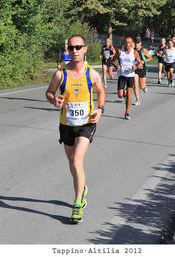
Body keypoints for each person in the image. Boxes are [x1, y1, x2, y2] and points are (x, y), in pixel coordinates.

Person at [45, 35, 105, 224]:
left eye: (78, 47)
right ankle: (82, 188)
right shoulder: (60, 74)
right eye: (71, 48)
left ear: (85, 49)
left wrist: (100, 109)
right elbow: (49, 92)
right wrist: (53, 99)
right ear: (68, 50)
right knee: (72, 162)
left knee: (77, 161)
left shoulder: (92, 74)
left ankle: (77, 203)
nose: (75, 51)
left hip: (86, 124)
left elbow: (101, 91)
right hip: (66, 125)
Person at [111, 37, 143, 120]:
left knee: (129, 93)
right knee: (120, 95)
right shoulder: (119, 51)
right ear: (124, 43)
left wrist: (136, 66)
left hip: (130, 75)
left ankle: (127, 112)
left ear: (132, 43)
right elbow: (112, 60)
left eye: (129, 42)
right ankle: (124, 94)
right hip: (122, 75)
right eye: (126, 42)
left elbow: (140, 63)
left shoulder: (134, 52)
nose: (127, 44)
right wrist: (115, 65)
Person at [134, 38, 152, 105]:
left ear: (140, 43)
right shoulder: (133, 50)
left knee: (141, 86)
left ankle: (144, 87)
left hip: (142, 69)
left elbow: (150, 58)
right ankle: (137, 99)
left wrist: (143, 61)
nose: (136, 44)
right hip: (135, 69)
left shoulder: (143, 50)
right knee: (135, 84)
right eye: (136, 42)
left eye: (138, 43)